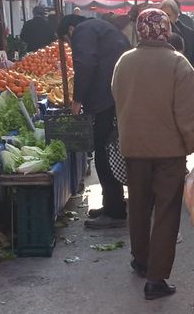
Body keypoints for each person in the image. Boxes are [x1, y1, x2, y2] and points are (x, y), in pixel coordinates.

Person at [112, 9, 194, 300]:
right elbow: (190, 114)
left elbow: (118, 97)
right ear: (166, 31)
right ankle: (156, 279)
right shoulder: (178, 64)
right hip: (169, 153)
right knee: (166, 213)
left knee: (139, 208)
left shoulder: (124, 61)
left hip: (133, 149)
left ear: (141, 31)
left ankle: (140, 259)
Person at [57, 14, 131, 229]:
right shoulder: (103, 27)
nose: (70, 45)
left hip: (104, 99)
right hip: (115, 94)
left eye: (67, 41)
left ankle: (115, 211)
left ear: (70, 29)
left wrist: (78, 98)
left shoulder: (83, 30)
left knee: (103, 152)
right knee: (109, 150)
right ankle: (112, 204)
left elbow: (85, 62)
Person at [160, 0, 194, 65]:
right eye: (163, 15)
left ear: (176, 16)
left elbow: (192, 60)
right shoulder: (155, 33)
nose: (165, 19)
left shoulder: (189, 35)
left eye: (168, 15)